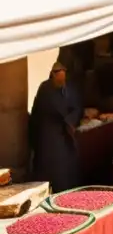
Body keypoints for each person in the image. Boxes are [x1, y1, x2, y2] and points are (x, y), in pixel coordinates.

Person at [28, 62, 83, 192]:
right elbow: (41, 111)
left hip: (65, 134)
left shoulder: (70, 88)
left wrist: (71, 120)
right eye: (58, 74)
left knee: (67, 168)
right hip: (49, 134)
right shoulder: (45, 88)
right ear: (53, 74)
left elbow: (77, 107)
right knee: (51, 168)